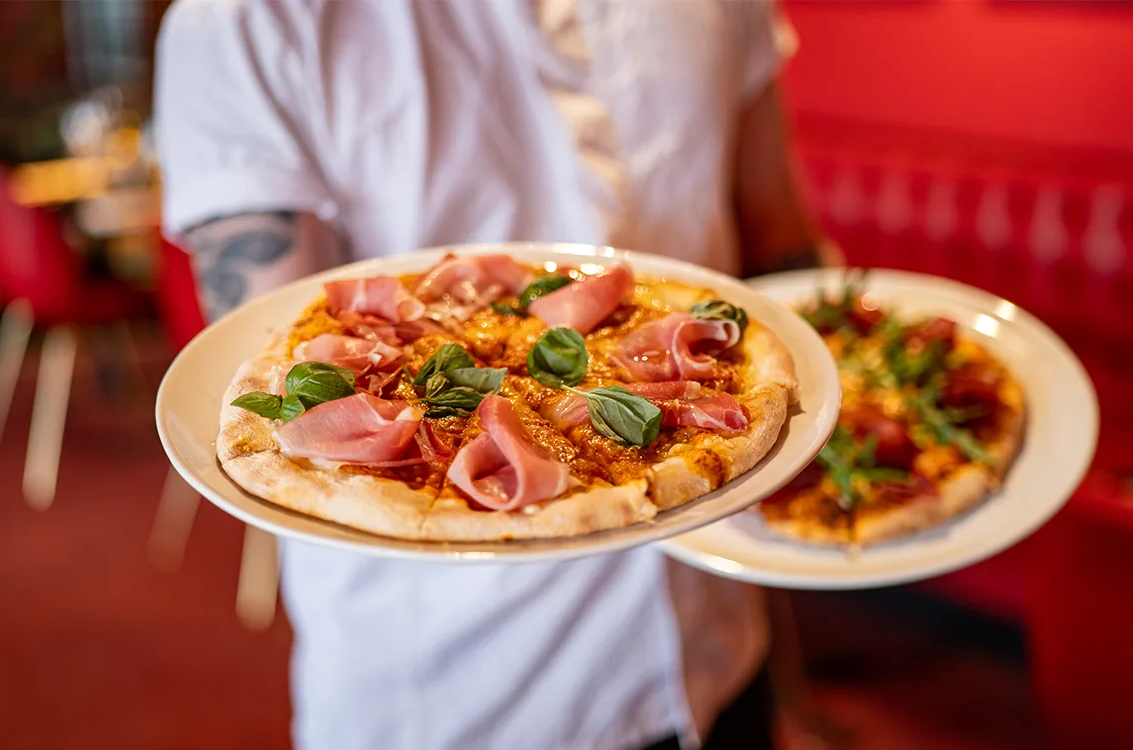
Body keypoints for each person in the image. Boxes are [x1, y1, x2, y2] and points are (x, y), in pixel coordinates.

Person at [155, 2, 836, 748]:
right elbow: (288, 391)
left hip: (718, 642)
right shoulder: (242, 19)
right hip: (457, 688)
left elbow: (776, 245)